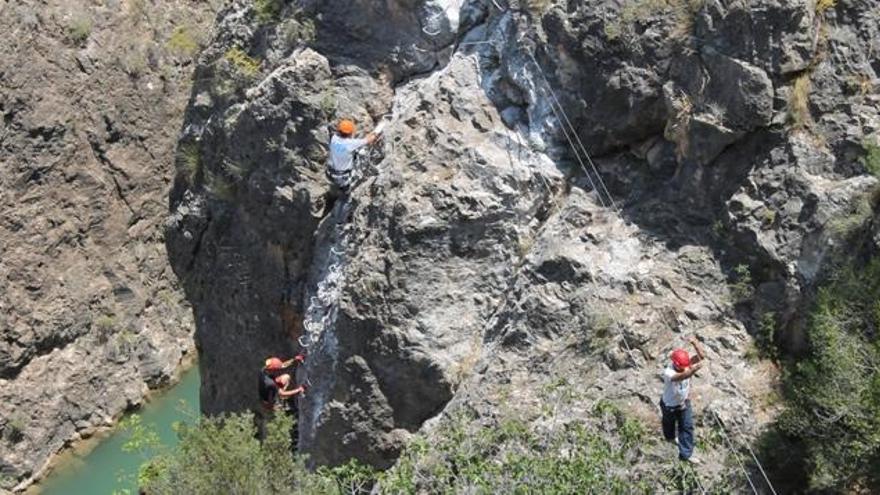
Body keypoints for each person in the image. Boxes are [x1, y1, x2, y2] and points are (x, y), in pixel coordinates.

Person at [659, 336, 707, 463]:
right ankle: (670, 437)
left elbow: (702, 356)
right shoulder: (669, 372)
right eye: (682, 367)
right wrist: (693, 369)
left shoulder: (685, 366)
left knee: (687, 427)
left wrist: (695, 343)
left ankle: (686, 454)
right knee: (668, 426)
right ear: (675, 364)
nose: (684, 368)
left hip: (683, 403)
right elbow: (683, 376)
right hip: (669, 406)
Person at [327, 119, 380, 195]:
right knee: (361, 152)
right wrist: (376, 132)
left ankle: (335, 189)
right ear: (350, 133)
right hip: (341, 176)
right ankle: (345, 191)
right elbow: (369, 139)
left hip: (330, 173)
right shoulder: (351, 144)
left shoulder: (334, 138)